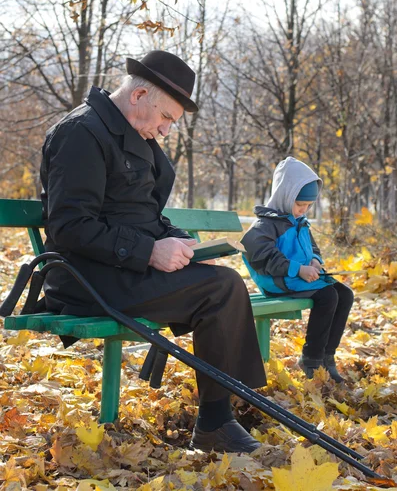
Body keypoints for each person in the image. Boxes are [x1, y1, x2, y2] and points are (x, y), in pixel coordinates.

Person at [39, 50, 266, 452]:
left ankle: (226, 410)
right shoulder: (81, 134)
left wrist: (183, 244)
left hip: (123, 269)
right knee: (222, 288)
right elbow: (69, 226)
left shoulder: (134, 135)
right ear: (139, 94)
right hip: (83, 277)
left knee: (222, 283)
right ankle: (217, 420)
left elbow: (145, 215)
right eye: (166, 119)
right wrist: (149, 252)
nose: (165, 131)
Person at [241, 157, 354, 383]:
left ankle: (326, 357)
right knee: (327, 296)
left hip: (298, 275)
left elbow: (312, 247)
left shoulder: (299, 220)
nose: (303, 211)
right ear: (285, 195)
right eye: (300, 205)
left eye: (308, 206)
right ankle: (311, 359)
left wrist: (314, 261)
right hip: (277, 280)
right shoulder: (265, 225)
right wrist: (297, 269)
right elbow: (261, 256)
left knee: (345, 294)